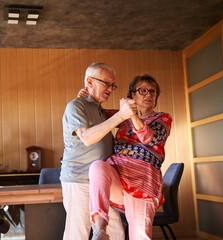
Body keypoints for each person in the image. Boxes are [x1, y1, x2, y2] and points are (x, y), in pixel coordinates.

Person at [89, 74, 172, 240]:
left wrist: (131, 115)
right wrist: (85, 99)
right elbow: (96, 113)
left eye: (152, 92)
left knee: (140, 236)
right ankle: (100, 230)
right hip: (118, 178)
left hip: (143, 183)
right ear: (132, 95)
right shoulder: (122, 115)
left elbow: (149, 138)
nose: (148, 94)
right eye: (143, 91)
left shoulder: (162, 118)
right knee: (97, 167)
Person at [61, 62, 136, 240]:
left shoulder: (100, 110)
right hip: (79, 180)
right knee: (77, 234)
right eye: (106, 83)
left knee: (116, 232)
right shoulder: (75, 106)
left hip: (102, 182)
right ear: (89, 81)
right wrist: (121, 115)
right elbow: (87, 137)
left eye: (113, 85)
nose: (110, 89)